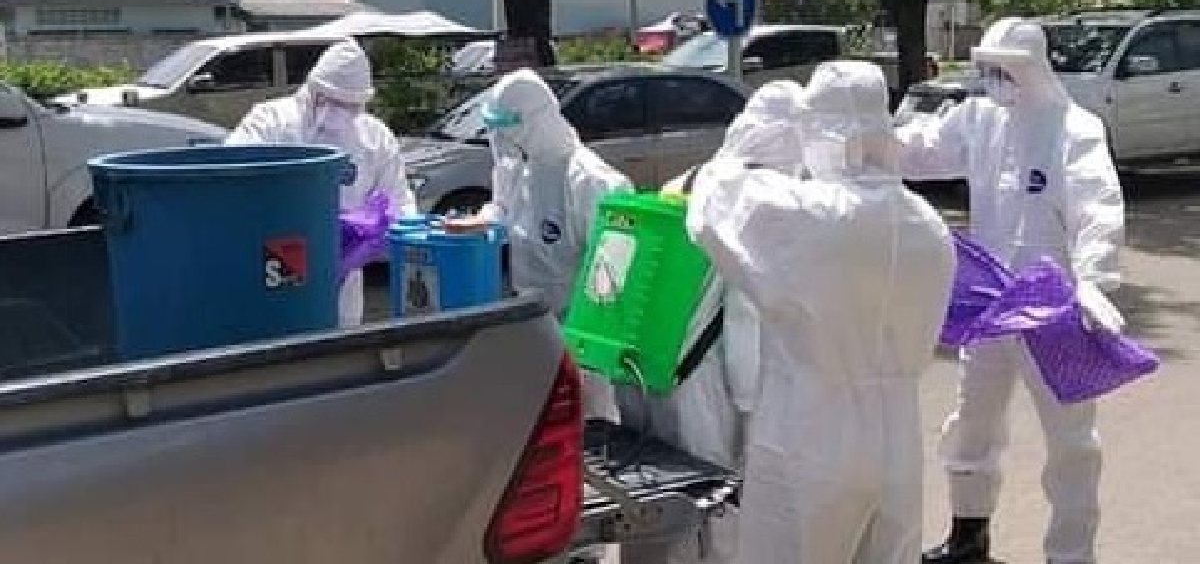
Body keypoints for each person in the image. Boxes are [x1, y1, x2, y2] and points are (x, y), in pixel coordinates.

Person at [686, 60, 956, 564]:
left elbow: (712, 204)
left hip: (810, 436)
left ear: (825, 134)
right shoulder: (927, 224)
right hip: (898, 438)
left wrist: (751, 132)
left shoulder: (808, 216)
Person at [899, 17, 1126, 564]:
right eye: (991, 68)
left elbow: (1097, 208)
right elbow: (921, 148)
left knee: (1071, 442)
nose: (997, 79)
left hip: (1055, 310)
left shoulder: (1073, 129)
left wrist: (1094, 280)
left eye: (1007, 69)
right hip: (991, 306)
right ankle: (968, 536)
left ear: (1034, 67)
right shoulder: (979, 120)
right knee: (972, 423)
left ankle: (1071, 554)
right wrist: (861, 140)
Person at [621, 83, 803, 564]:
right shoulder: (754, 201)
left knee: (652, 489)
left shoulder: (687, 180)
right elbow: (744, 316)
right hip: (706, 378)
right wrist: (752, 403)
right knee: (710, 494)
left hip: (649, 360)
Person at [445, 67, 632, 421]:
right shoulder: (520, 164)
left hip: (580, 333)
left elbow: (612, 274)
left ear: (535, 120)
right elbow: (505, 206)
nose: (503, 137)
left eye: (508, 126)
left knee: (587, 422)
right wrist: (482, 220)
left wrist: (587, 341)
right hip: (532, 322)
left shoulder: (588, 181)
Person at [226, 38, 417, 327]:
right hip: (272, 279)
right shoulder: (270, 122)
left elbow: (401, 208)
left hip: (342, 298)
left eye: (351, 105)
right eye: (333, 101)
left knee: (336, 341)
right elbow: (232, 181)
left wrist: (369, 232)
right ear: (313, 90)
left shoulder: (374, 139)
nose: (341, 112)